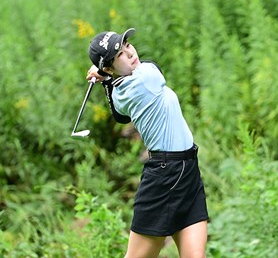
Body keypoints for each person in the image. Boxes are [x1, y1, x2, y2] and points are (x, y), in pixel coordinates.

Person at [86, 28, 208, 258]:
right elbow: (154, 65)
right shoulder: (146, 78)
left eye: (128, 46)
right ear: (109, 67)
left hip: (188, 171)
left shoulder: (118, 93)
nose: (131, 53)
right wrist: (108, 77)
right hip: (165, 175)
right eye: (120, 54)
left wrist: (107, 79)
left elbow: (120, 115)